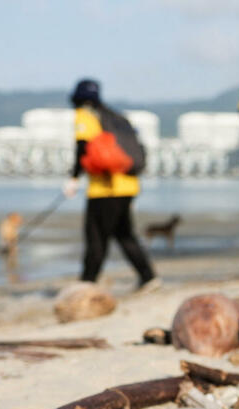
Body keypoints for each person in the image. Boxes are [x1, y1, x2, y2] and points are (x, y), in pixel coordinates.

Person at [63, 80, 158, 290]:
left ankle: (87, 283)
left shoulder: (84, 115)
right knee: (124, 234)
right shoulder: (115, 116)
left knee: (96, 237)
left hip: (105, 189)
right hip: (129, 185)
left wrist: (73, 178)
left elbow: (82, 148)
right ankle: (148, 277)